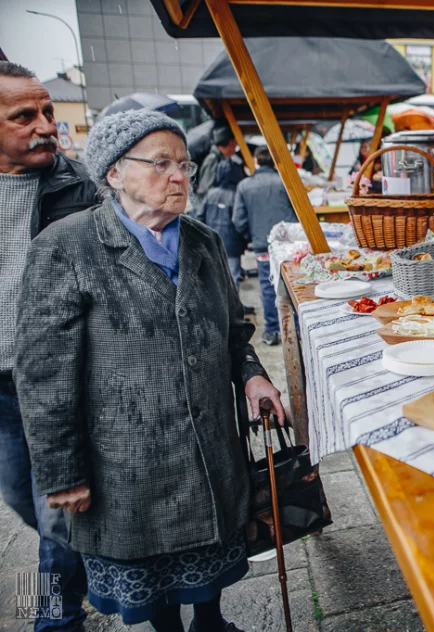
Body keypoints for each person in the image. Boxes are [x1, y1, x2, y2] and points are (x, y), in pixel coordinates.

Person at [15, 108, 285, 632]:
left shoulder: (202, 240)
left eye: (184, 164)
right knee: (54, 533)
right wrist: (61, 471)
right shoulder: (64, 245)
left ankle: (211, 622)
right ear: (113, 172)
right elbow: (45, 373)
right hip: (96, 435)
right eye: (161, 164)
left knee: (207, 560)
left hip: (200, 439)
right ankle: (49, 618)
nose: (180, 176)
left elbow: (233, 331)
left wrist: (251, 373)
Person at [0, 61, 95, 632]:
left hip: (57, 382)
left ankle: (51, 618)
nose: (45, 126)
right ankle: (80, 560)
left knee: (53, 509)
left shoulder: (78, 187)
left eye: (48, 112)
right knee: (22, 502)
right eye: (24, 116)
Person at [233, 145, 299, 346]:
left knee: (268, 286)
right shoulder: (286, 181)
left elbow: (238, 220)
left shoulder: (244, 185)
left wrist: (251, 236)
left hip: (263, 244)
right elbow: (300, 211)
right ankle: (297, 328)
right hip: (289, 243)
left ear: (256, 161)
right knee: (293, 285)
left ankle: (272, 330)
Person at [195, 158, 247, 289]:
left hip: (211, 243)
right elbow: (240, 220)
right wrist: (246, 238)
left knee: (214, 279)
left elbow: (199, 217)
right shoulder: (237, 195)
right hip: (233, 245)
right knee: (232, 277)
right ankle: (232, 309)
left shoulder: (210, 194)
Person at [196, 124, 237, 205]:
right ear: (231, 143)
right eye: (235, 143)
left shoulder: (220, 158)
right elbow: (205, 189)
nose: (235, 147)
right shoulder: (213, 159)